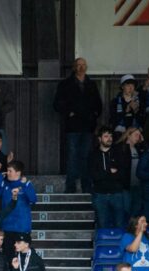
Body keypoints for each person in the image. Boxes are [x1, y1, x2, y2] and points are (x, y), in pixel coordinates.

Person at [52, 57, 102, 193]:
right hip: (72, 126)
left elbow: (98, 104)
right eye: (78, 65)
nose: (81, 67)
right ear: (74, 67)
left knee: (86, 155)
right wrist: (69, 113)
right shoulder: (65, 84)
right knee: (72, 155)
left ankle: (86, 186)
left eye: (83, 65)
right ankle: (70, 186)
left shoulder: (91, 84)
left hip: (88, 126)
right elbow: (57, 104)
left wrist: (94, 115)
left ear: (86, 67)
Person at [89, 126, 129, 229]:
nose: (109, 138)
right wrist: (110, 172)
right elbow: (94, 175)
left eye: (111, 136)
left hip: (117, 194)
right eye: (106, 136)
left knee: (120, 225)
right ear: (99, 139)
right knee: (102, 225)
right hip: (100, 194)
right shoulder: (93, 154)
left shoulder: (118, 153)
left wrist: (104, 173)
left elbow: (122, 174)